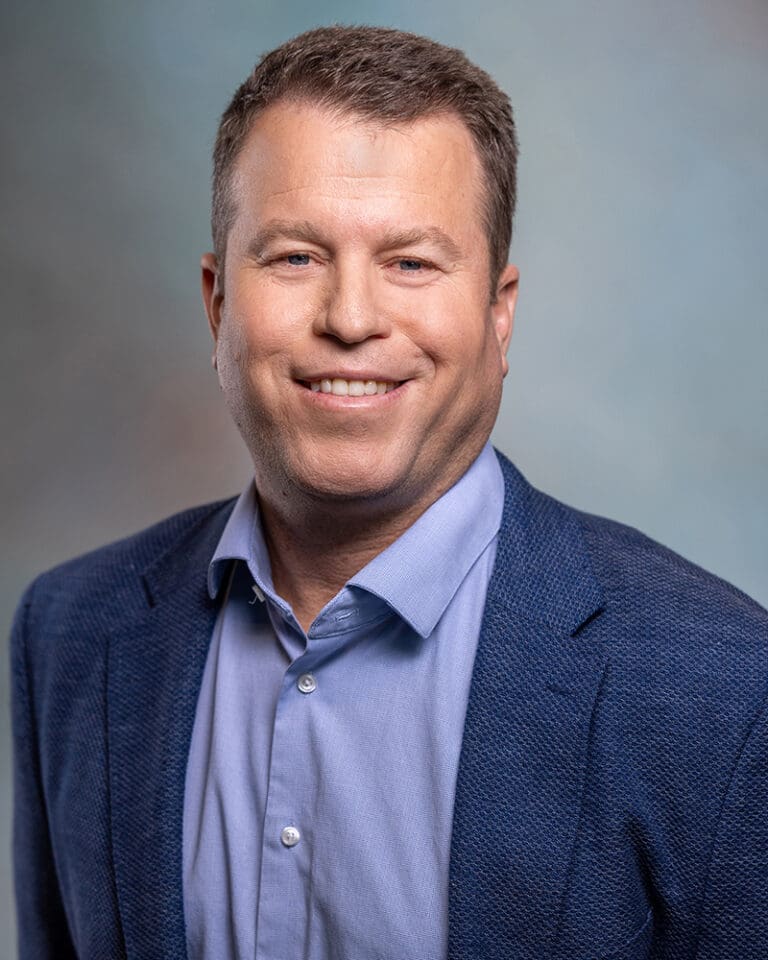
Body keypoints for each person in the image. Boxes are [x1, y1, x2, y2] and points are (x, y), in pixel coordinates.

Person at [10, 24, 768, 960]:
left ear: (499, 312)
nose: (352, 319)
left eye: (412, 261)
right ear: (216, 305)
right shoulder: (70, 634)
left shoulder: (724, 685)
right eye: (295, 256)